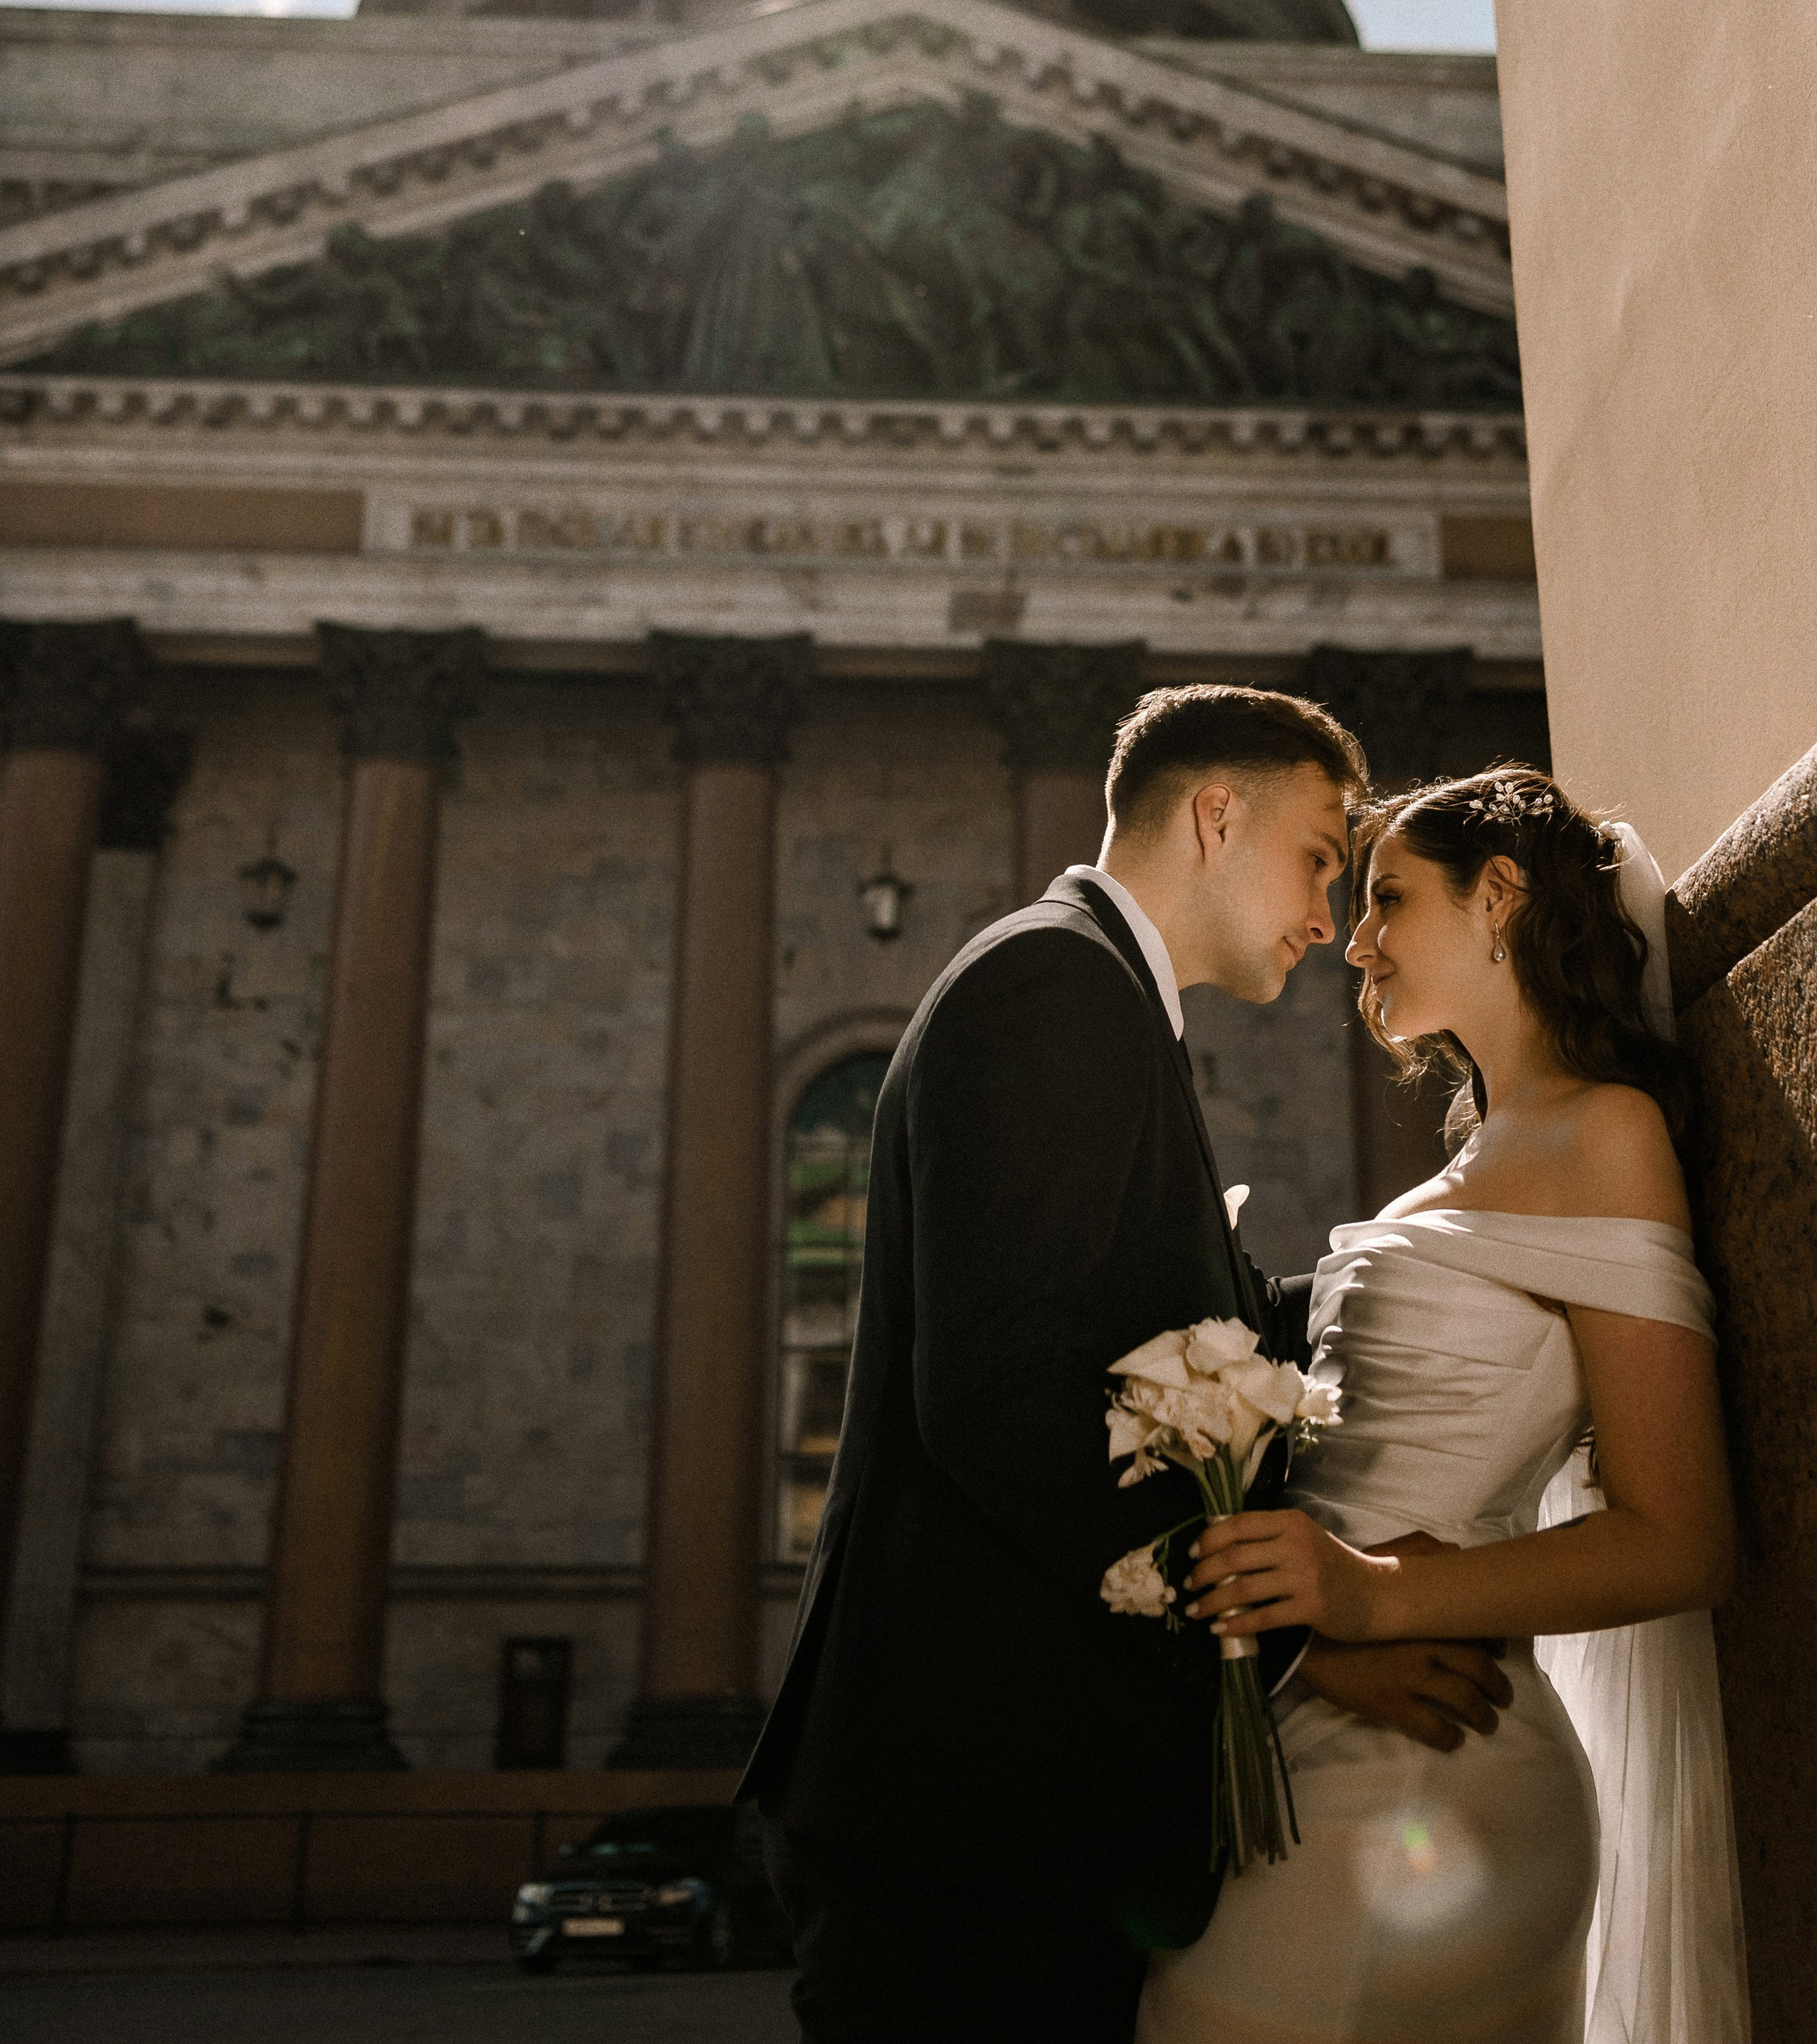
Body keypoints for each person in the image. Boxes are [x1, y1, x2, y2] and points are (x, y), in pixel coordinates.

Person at [744, 685, 1516, 2044]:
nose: (1328, 919)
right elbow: (1003, 1403)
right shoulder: (1054, 986)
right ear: (1217, 817)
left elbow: (1186, 1340)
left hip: (1003, 1812)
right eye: (1319, 860)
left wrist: (1444, 1272)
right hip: (968, 1814)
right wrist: (1294, 1636)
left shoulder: (1094, 994)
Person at [1143, 765, 1750, 2044]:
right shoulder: (1472, 1159)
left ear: (1501, 897)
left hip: (1434, 1757)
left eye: (1391, 898)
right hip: (1315, 1730)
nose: (1355, 939)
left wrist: (1373, 1596)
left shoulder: (1606, 1134)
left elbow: (1683, 1537)